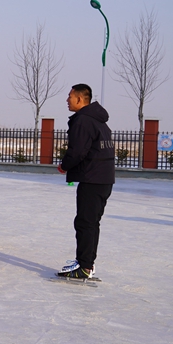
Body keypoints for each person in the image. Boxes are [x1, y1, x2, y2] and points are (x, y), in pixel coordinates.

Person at [58, 84, 115, 280]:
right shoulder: (98, 121)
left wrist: (64, 165)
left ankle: (84, 267)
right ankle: (86, 262)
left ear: (80, 99)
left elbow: (77, 152)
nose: (67, 100)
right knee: (90, 222)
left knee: (85, 222)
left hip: (93, 178)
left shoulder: (83, 120)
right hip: (103, 178)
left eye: (70, 96)